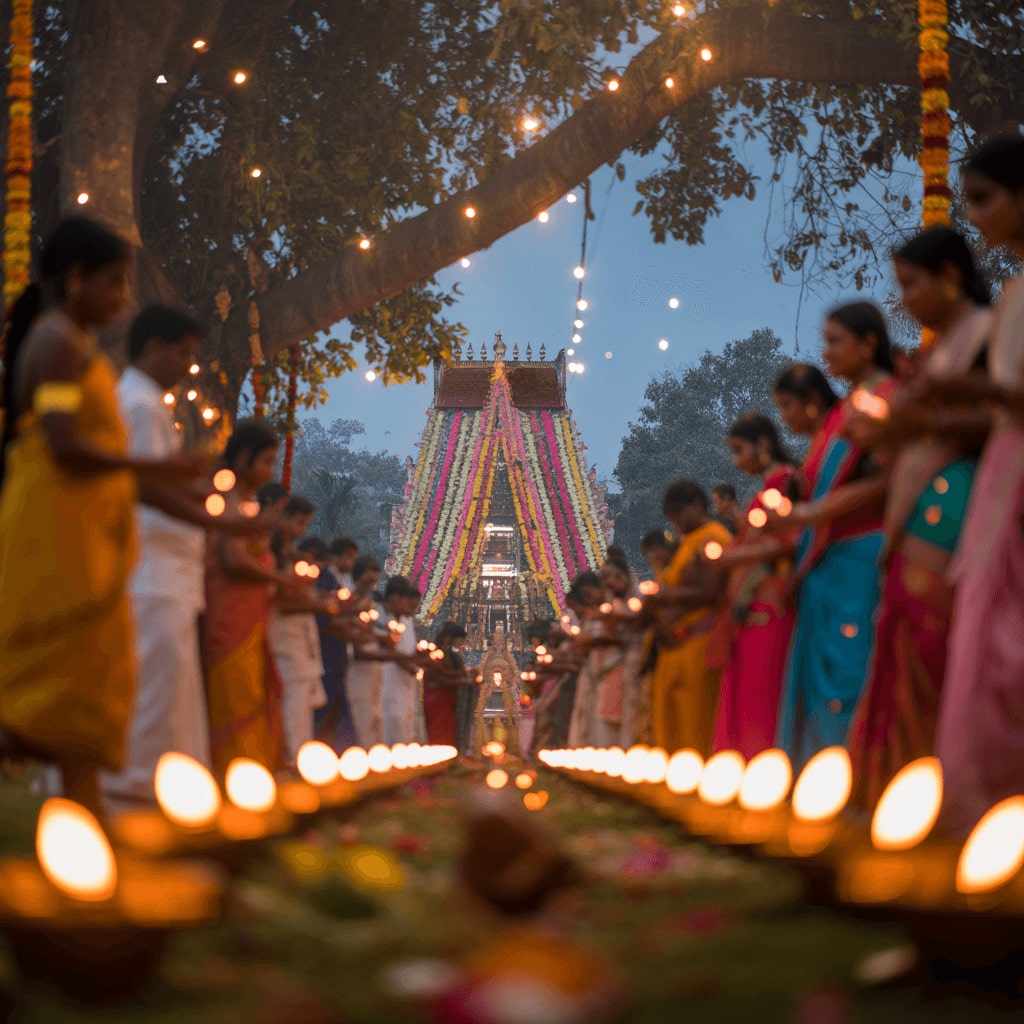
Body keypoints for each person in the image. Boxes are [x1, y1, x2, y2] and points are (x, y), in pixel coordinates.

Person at [0, 218, 199, 813]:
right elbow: (61, 440)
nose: (124, 299)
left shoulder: (78, 347)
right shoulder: (57, 343)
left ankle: (85, 820)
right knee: (53, 680)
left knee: (90, 679)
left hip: (86, 530)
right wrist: (153, 468)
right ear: (77, 280)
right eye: (115, 283)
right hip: (55, 528)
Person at [845, 228, 991, 808]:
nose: (903, 298)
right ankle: (908, 794)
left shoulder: (987, 330)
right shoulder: (940, 351)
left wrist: (914, 426)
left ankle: (954, 792)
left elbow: (990, 419)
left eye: (911, 283)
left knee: (940, 648)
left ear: (951, 276)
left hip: (958, 498)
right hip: (918, 504)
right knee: (911, 652)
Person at [104, 305, 269, 808]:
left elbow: (159, 478)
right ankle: (133, 787)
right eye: (183, 353)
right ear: (153, 346)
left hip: (171, 569)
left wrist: (196, 488)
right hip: (153, 565)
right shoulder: (137, 402)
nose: (187, 365)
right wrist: (219, 520)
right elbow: (143, 486)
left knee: (172, 685)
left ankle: (161, 788)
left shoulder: (151, 402)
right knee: (156, 681)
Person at [922, 134, 1024, 834]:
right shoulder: (1016, 292)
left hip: (1012, 476)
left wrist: (967, 391)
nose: (977, 216)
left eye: (985, 199)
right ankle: (979, 813)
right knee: (988, 638)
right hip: (1001, 480)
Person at [766, 304, 897, 770]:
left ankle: (850, 782)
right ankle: (819, 783)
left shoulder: (887, 396)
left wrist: (810, 513)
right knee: (819, 680)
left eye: (837, 340)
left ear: (868, 343)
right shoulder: (844, 414)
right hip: (826, 565)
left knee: (849, 674)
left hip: (859, 559)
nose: (828, 352)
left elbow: (886, 479)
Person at [203, 420, 301, 775]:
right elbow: (232, 559)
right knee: (235, 692)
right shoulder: (227, 499)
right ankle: (234, 773)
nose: (269, 471)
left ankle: (251, 773)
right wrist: (279, 578)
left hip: (252, 614)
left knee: (254, 691)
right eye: (266, 461)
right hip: (229, 612)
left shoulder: (245, 504)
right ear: (243, 458)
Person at [706, 413, 798, 759]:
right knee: (745, 691)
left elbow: (791, 541)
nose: (736, 460)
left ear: (763, 444)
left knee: (761, 692)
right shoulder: (765, 491)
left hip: (768, 600)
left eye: (739, 450)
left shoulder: (787, 482)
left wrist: (733, 558)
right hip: (749, 605)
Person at [645, 480, 731, 755]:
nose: (678, 525)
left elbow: (711, 590)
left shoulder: (712, 537)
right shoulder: (686, 543)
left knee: (696, 726)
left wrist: (666, 595)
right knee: (669, 729)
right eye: (673, 519)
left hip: (699, 640)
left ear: (696, 505)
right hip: (674, 645)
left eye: (679, 516)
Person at [269, 498, 332, 766]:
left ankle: (300, 762)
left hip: (302, 646)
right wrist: (320, 605)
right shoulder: (274, 556)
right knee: (292, 711)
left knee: (301, 712)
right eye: (299, 523)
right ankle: (291, 764)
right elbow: (280, 602)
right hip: (285, 642)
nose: (302, 530)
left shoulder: (292, 558)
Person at [313, 536, 360, 751]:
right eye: (349, 557)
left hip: (339, 654)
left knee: (339, 709)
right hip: (328, 652)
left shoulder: (340, 580)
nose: (351, 563)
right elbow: (326, 619)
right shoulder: (326, 578)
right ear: (337, 555)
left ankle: (337, 752)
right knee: (327, 707)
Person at [346, 555, 386, 746]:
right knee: (362, 720)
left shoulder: (370, 606)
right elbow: (357, 646)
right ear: (357, 577)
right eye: (368, 581)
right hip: (356, 672)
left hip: (374, 673)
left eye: (374, 582)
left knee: (375, 720)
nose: (371, 586)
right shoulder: (348, 602)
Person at [380, 576, 421, 744]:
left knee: (406, 730)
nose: (412, 610)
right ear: (397, 598)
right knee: (392, 726)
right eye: (410, 605)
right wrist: (414, 667)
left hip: (406, 685)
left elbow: (410, 650)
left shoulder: (407, 621)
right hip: (388, 682)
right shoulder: (379, 615)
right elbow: (393, 652)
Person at [422, 622, 469, 745]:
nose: (461, 644)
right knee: (438, 731)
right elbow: (437, 675)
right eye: (460, 640)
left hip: (450, 699)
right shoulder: (436, 653)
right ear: (449, 638)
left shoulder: (453, 655)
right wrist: (459, 679)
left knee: (449, 732)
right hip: (437, 698)